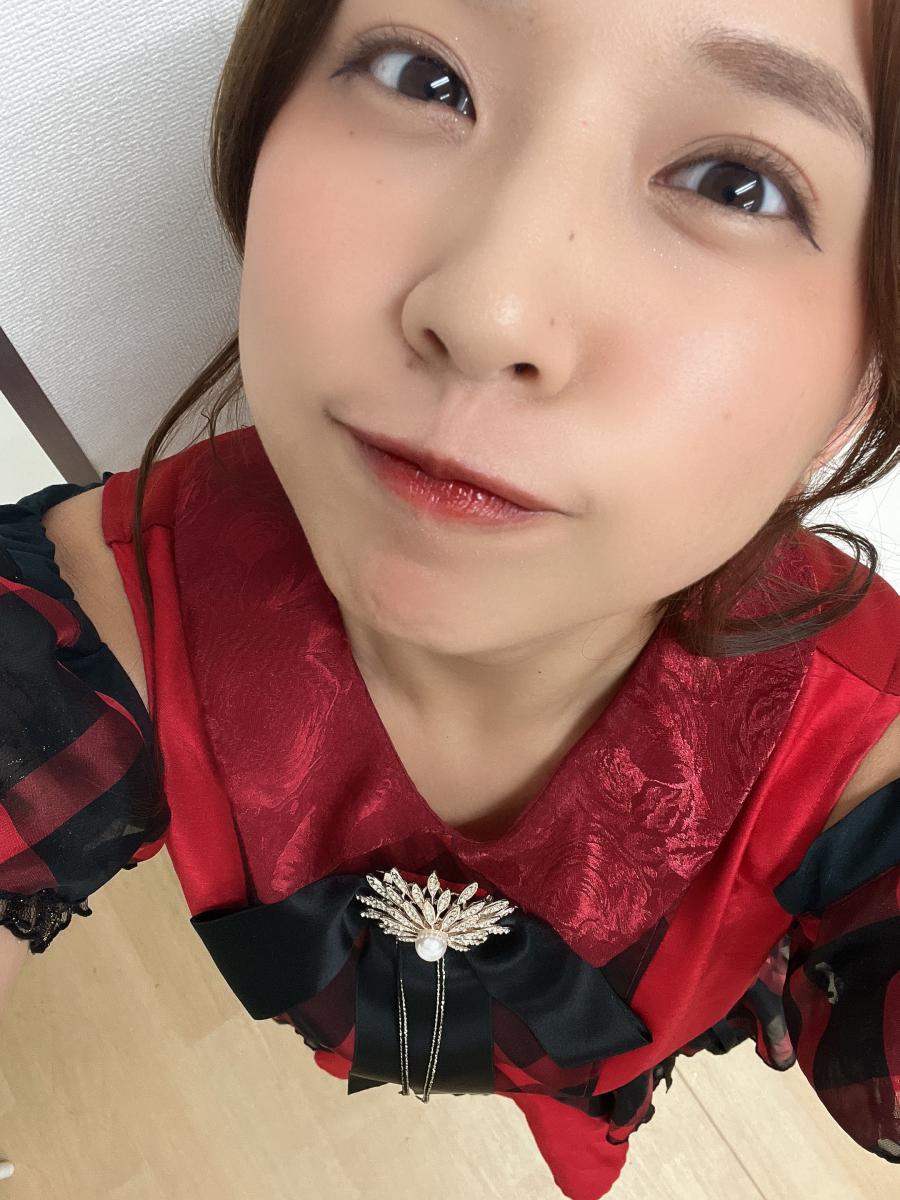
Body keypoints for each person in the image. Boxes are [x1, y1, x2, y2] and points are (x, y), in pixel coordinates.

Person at [2, 2, 898, 1197]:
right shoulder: (88, 615)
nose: (485, 313)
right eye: (422, 76)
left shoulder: (862, 737)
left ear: (868, 370)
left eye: (738, 184)